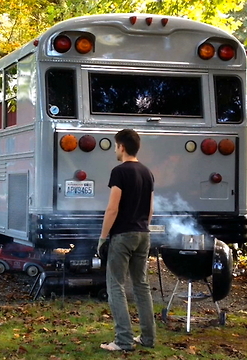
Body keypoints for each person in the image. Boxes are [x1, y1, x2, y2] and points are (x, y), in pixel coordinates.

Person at [98, 129, 156, 351]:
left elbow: (113, 208)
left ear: (122, 146)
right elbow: (150, 208)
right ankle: (148, 338)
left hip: (122, 236)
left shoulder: (119, 172)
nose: (115, 149)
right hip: (143, 234)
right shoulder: (147, 172)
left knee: (116, 286)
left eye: (115, 145)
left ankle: (123, 340)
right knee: (141, 286)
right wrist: (144, 226)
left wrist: (103, 237)